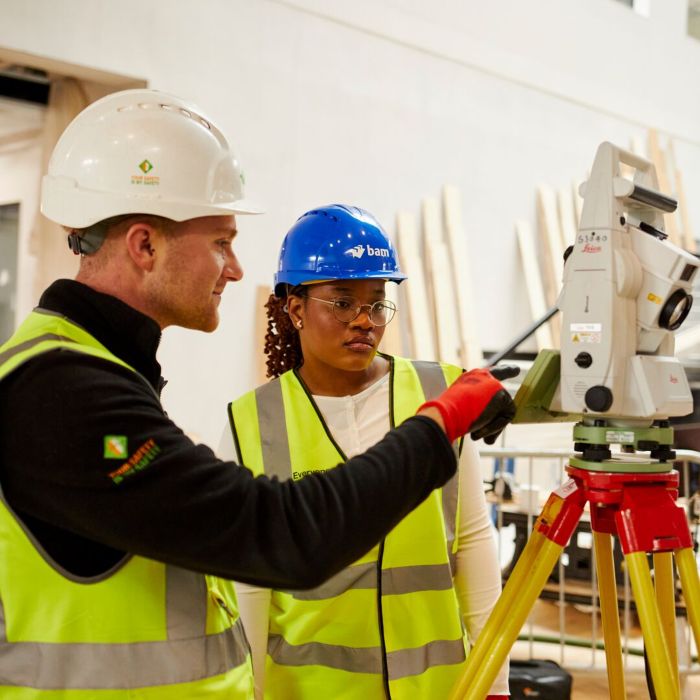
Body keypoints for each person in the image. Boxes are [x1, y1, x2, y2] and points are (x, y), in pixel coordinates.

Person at [0, 90, 516, 698]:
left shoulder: (97, 373)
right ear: (145, 246)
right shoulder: (64, 394)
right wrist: (439, 424)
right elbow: (283, 535)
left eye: (376, 303)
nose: (237, 268)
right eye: (221, 241)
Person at [222, 204, 511, 699]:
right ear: (295, 309)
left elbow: (473, 541)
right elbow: (249, 586)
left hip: (435, 688)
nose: (364, 321)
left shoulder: (439, 393)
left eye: (377, 303)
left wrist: (496, 682)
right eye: (341, 302)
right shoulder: (253, 420)